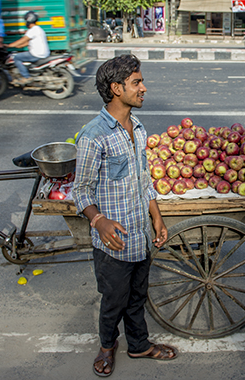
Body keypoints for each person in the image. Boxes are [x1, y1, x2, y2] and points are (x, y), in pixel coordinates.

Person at [72, 54, 178, 377]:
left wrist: (156, 218)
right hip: (113, 245)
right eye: (137, 82)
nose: (143, 88)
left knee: (137, 297)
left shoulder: (139, 129)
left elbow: (143, 181)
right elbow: (81, 190)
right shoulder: (94, 136)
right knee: (113, 300)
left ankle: (139, 344)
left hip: (139, 238)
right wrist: (98, 220)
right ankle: (107, 345)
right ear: (116, 89)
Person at [6, 11, 50, 84]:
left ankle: (26, 77)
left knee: (17, 57)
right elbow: (27, 42)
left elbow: (23, 40)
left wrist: (9, 45)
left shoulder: (32, 30)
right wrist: (18, 46)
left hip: (36, 54)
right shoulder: (39, 29)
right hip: (44, 54)